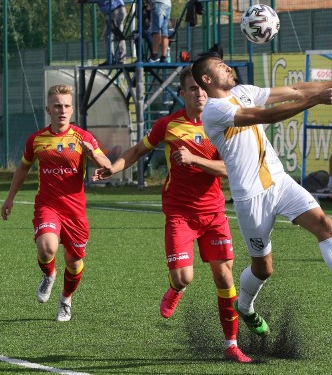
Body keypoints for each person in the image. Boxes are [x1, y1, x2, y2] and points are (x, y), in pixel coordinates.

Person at [191, 56, 332, 338]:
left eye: (225, 63)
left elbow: (296, 90)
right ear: (207, 80)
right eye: (219, 66)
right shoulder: (214, 111)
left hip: (280, 182)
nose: (226, 66)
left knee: (324, 224)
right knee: (263, 269)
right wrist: (315, 100)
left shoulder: (243, 92)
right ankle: (245, 307)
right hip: (251, 198)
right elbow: (265, 115)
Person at [91, 68, 252, 363]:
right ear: (183, 94)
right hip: (180, 214)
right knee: (183, 277)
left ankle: (231, 344)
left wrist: (194, 160)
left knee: (224, 276)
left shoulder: (221, 124)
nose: (200, 93)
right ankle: (175, 287)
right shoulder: (168, 125)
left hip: (214, 214)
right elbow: (138, 150)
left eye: (204, 88)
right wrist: (114, 168)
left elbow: (231, 170)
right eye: (192, 89)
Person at [0, 85, 112, 322]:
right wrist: (10, 197)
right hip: (47, 206)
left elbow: (105, 162)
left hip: (75, 211)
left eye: (67, 106)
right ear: (48, 109)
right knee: (47, 248)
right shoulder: (37, 139)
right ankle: (48, 274)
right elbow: (23, 167)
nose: (62, 110)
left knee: (74, 262)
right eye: (58, 105)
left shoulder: (83, 137)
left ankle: (65, 300)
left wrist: (95, 155)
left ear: (72, 110)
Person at [78, 0, 127, 65]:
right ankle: (117, 59)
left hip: (115, 10)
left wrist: (81, 0)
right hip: (117, 9)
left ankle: (115, 59)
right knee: (116, 35)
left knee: (112, 35)